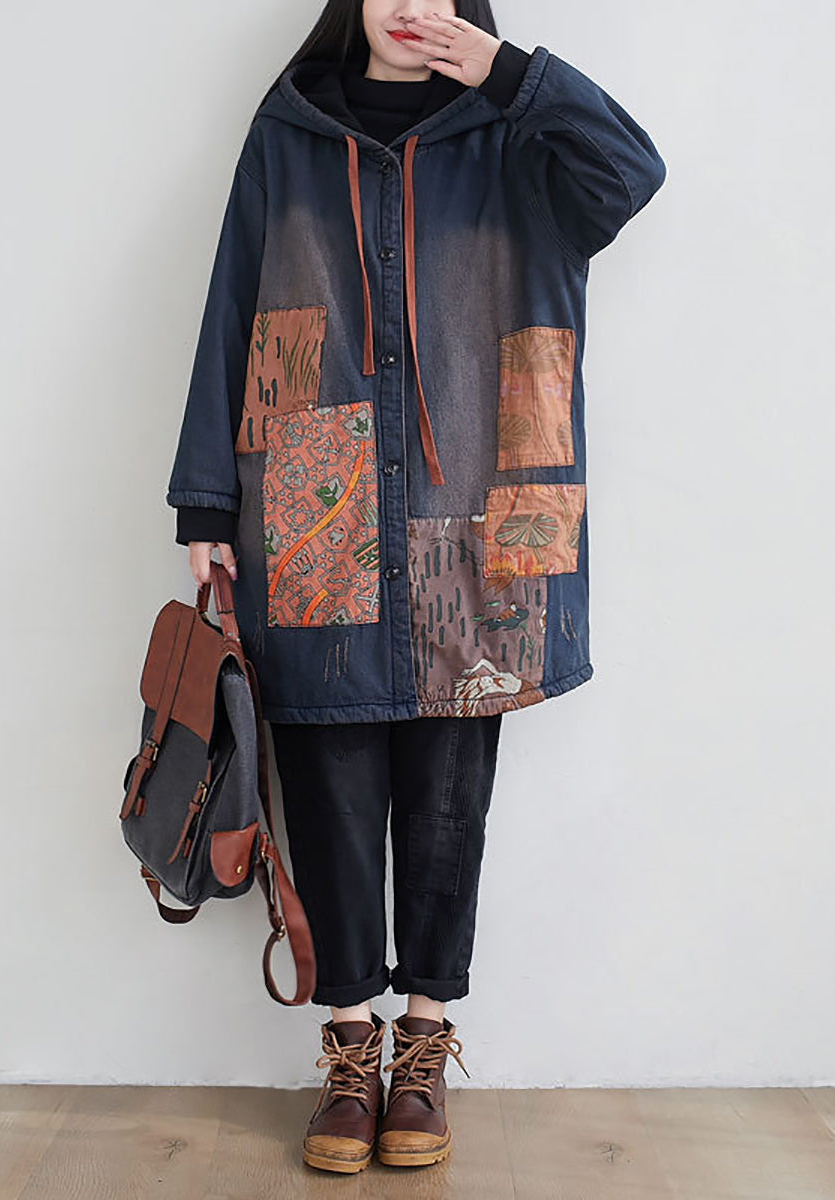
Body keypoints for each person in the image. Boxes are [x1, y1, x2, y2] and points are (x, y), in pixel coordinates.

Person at [165, 0, 666, 1175]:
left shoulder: (520, 134)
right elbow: (232, 308)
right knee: (328, 789)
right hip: (315, 508)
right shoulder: (287, 132)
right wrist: (205, 505)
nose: (409, 5)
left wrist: (514, 76)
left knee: (448, 801)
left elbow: (632, 174)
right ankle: (350, 1051)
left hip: (479, 514)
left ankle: (425, 1047)